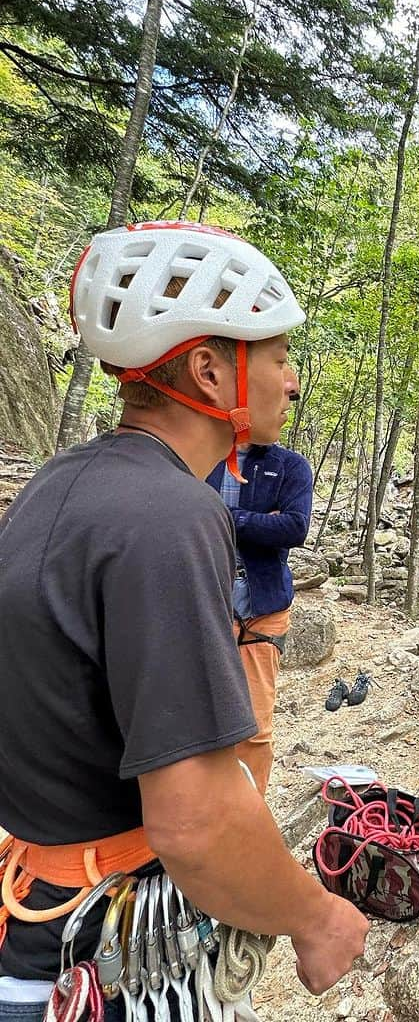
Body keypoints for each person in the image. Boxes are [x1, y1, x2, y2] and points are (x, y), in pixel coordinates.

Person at [0, 222, 369, 1019]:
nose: (293, 380)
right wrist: (316, 917)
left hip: (39, 912)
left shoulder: (59, 483)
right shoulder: (173, 514)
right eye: (277, 356)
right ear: (209, 370)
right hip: (96, 948)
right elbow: (194, 824)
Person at [208, 440, 314, 794]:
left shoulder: (290, 465)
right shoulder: (200, 452)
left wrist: (225, 516)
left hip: (262, 608)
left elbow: (295, 527)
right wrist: (261, 523)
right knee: (198, 716)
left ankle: (249, 811)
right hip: (205, 602)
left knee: (254, 725)